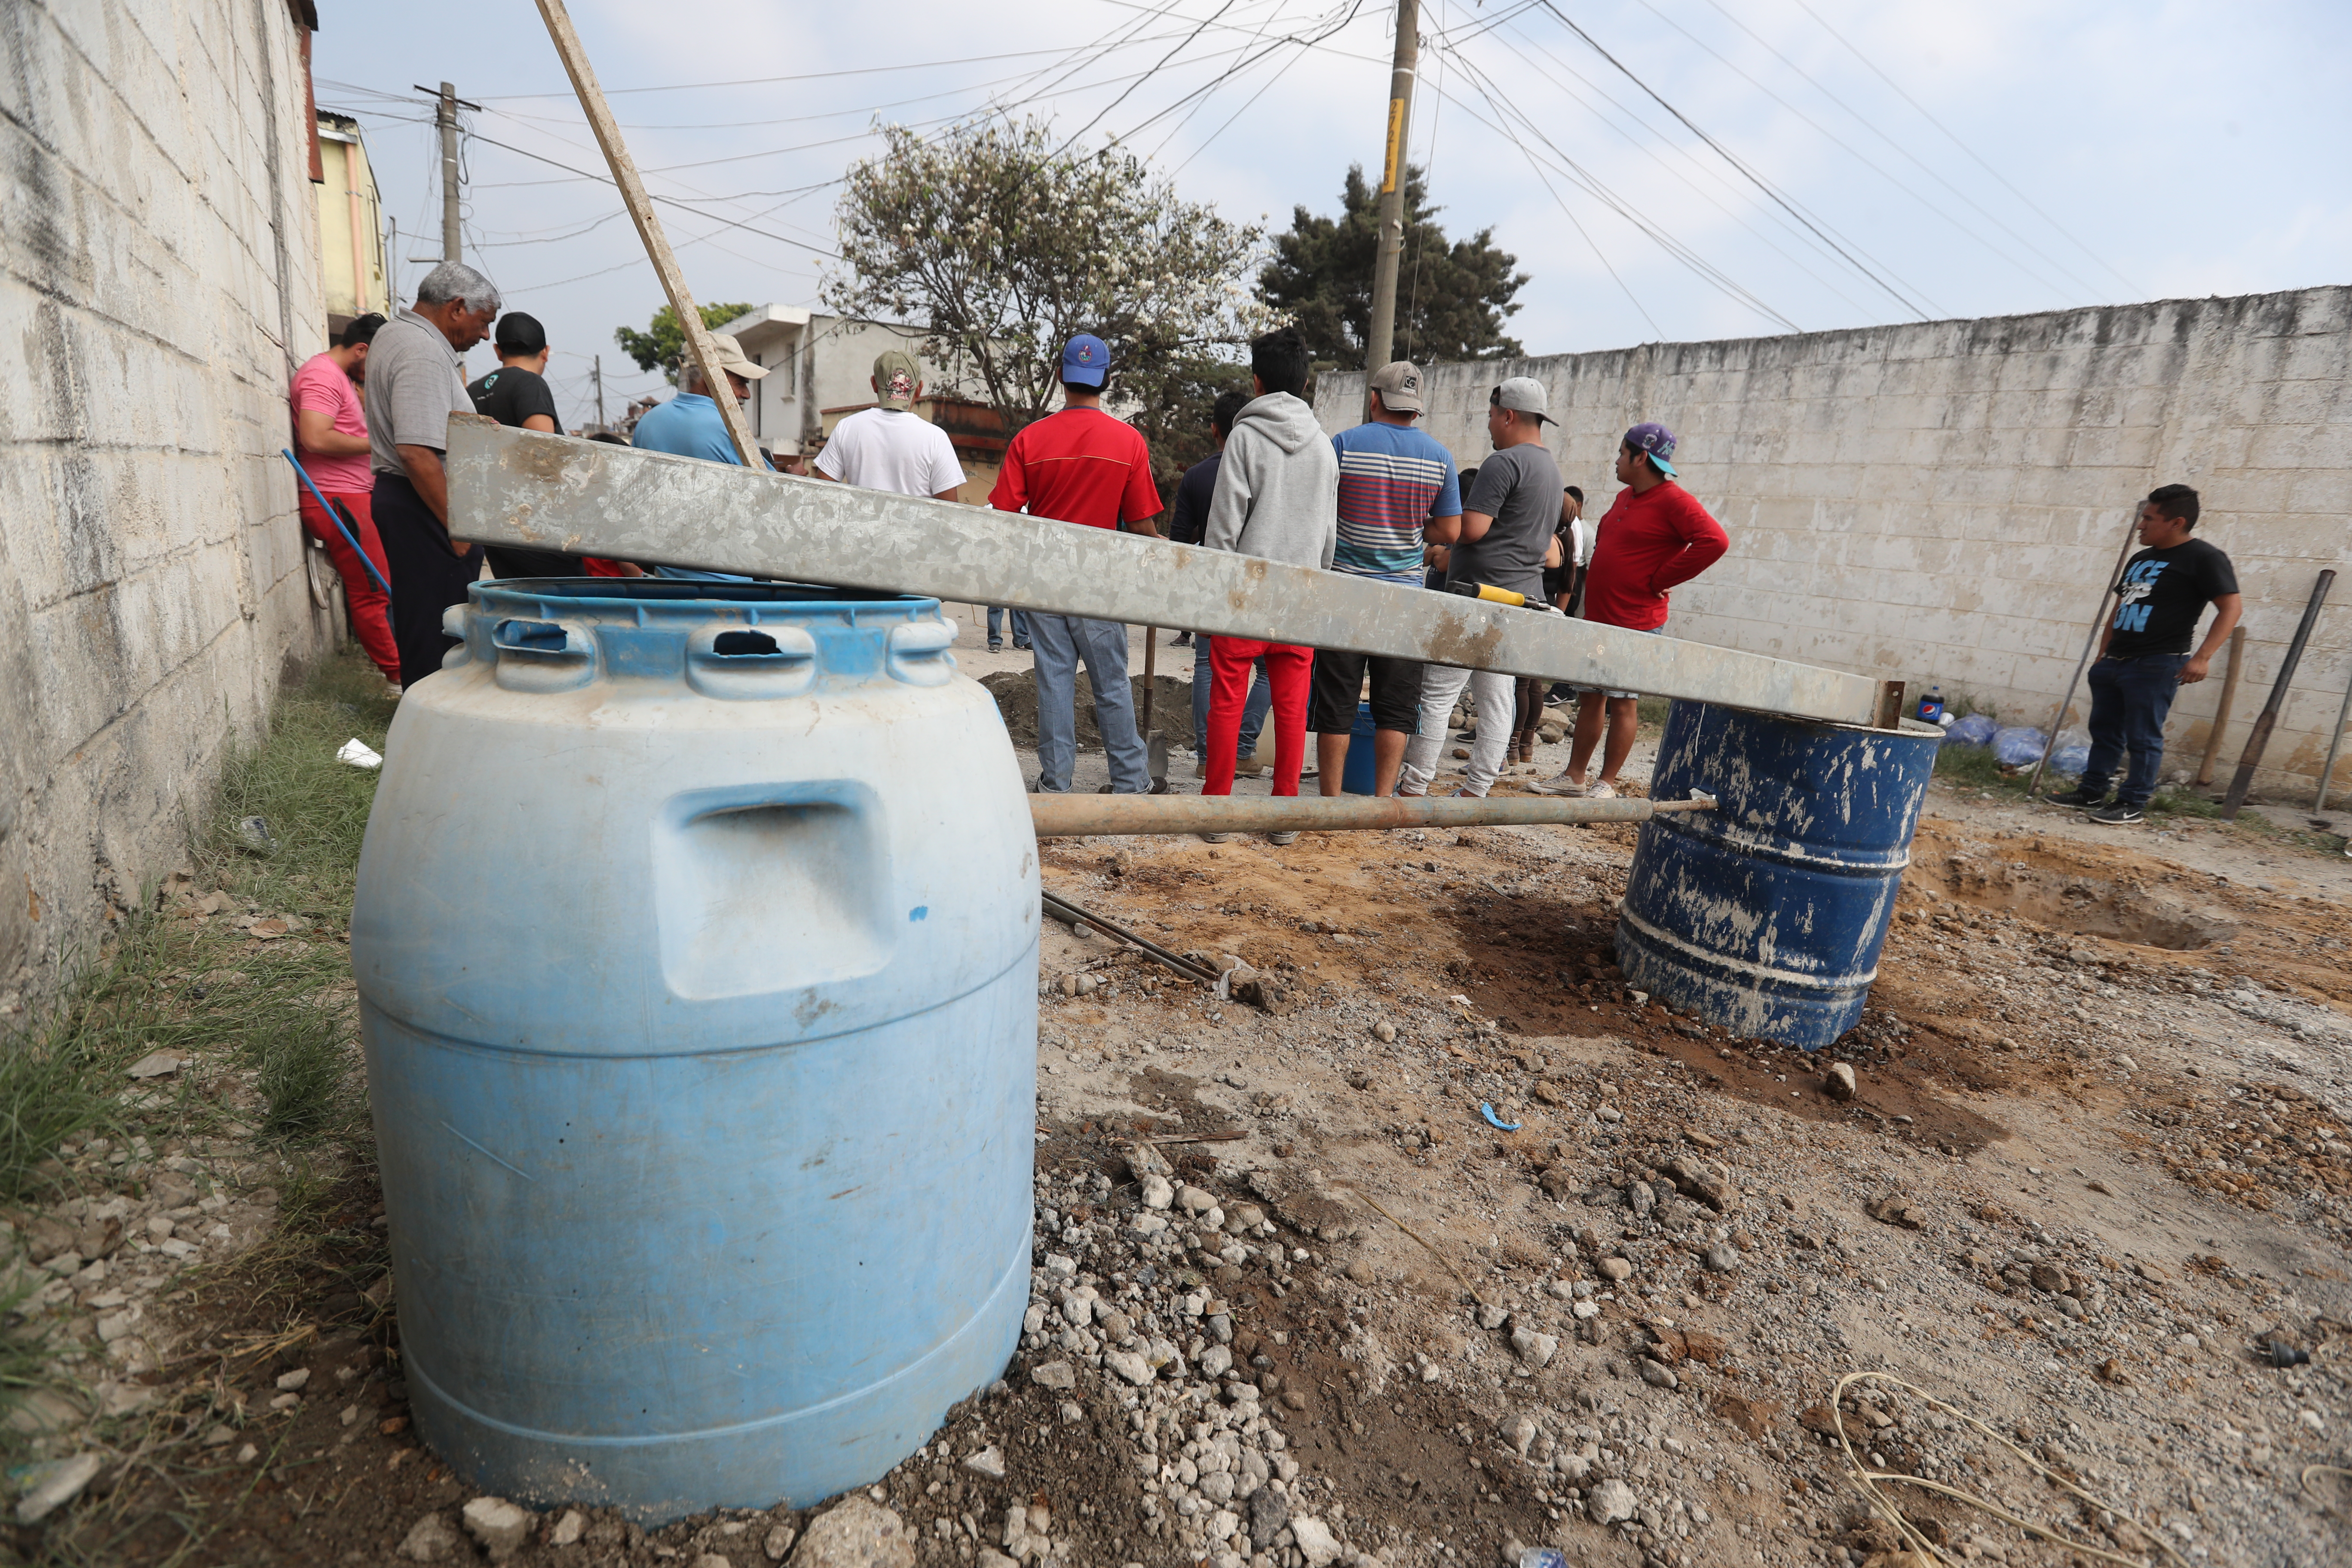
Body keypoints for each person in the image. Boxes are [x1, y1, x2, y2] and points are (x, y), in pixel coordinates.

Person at [988, 334, 1163, 795]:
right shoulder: (1129, 442)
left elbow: (1003, 515)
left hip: (1044, 579)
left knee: (1054, 681)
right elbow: (1141, 524)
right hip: (1100, 582)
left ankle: (1056, 783)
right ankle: (1130, 782)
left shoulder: (1029, 439)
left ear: (1061, 376)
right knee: (1112, 684)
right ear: (1105, 380)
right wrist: (1163, 549)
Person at [1533, 423, 1728, 800]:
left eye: (1622, 453)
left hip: (1636, 620)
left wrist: (1662, 578)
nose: (1617, 460)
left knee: (1623, 702)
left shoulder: (1674, 501)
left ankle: (1606, 783)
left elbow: (1715, 541)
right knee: (1590, 699)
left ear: (1641, 458)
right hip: (1600, 616)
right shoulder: (1626, 497)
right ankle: (1575, 777)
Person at [1197, 327, 1338, 839]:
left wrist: (1216, 586)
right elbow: (1328, 536)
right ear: (1305, 383)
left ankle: (1217, 811)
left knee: (1227, 699)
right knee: (1292, 708)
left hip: (1244, 592)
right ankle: (1284, 817)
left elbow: (1224, 526)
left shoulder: (1244, 438)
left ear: (1257, 381)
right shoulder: (1324, 448)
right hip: (1300, 594)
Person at [1398, 378, 1564, 799]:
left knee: (1438, 693)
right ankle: (1478, 789)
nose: (1489, 424)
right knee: (1498, 697)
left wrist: (1429, 526)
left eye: (1491, 415)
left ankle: (1414, 785)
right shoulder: (1551, 470)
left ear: (1508, 415)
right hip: (1520, 599)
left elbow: (1471, 529)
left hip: (1479, 598)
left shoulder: (1503, 463)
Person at [2049, 485, 2242, 825]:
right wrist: (2103, 654)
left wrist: (2202, 657)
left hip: (2157, 663)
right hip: (2115, 662)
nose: (2140, 525)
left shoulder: (2204, 558)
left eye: (2149, 518)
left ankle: (2132, 802)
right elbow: (2120, 607)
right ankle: (2091, 791)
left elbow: (2231, 607)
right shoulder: (2140, 559)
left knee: (2143, 738)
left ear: (2176, 522)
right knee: (2105, 733)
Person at [1314, 360, 1461, 798]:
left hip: (1345, 593)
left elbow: (1322, 512)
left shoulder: (1344, 445)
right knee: (1396, 708)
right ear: (1416, 408)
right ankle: (1381, 803)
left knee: (1337, 705)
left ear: (1375, 398)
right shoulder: (1440, 457)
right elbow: (1451, 531)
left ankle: (1330, 803)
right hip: (1404, 600)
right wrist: (1413, 527)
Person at [364, 262, 497, 689]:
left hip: (414, 499)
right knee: (439, 629)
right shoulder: (421, 351)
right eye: (483, 322)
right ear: (457, 308)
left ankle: (427, 710)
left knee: (426, 621)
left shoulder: (399, 335)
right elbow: (416, 451)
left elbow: (425, 426)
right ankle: (430, 715)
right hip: (423, 500)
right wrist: (457, 531)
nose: (485, 335)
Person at [290, 313, 401, 695]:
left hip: (351, 498)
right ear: (362, 350)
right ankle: (399, 680)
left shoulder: (339, 378)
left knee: (382, 586)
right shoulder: (321, 376)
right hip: (338, 499)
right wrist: (382, 445)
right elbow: (316, 438)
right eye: (379, 362)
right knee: (373, 592)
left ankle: (401, 670)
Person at [1170, 388, 1272, 775]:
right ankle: (1242, 750)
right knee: (1267, 669)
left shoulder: (1196, 476)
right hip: (1260, 585)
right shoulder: (1267, 470)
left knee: (1206, 665)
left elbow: (1180, 541)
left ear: (1215, 428)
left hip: (1212, 585)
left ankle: (1207, 757)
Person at [631, 333, 771, 582]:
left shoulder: (648, 422)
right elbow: (775, 497)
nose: (746, 394)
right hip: (729, 584)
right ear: (711, 377)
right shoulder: (729, 428)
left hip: (667, 581)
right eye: (740, 383)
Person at [466, 311, 579, 579]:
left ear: (498, 351)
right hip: (537, 527)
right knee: (564, 598)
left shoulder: (472, 390)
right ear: (546, 352)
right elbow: (545, 455)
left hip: (492, 525)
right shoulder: (530, 384)